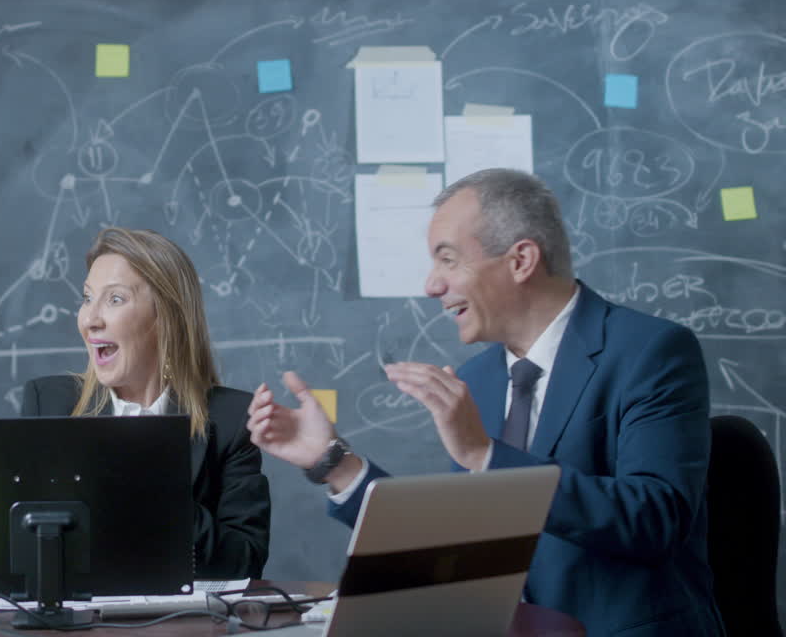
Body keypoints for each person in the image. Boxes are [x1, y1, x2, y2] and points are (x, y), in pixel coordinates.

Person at [246, 169, 723, 636]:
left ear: (520, 261)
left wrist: (484, 456)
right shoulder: (479, 378)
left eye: (448, 260)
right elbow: (458, 550)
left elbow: (655, 521)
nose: (431, 285)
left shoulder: (651, 351)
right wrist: (333, 462)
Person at [22, 227, 271, 579]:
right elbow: (23, 555)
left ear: (166, 318)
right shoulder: (49, 404)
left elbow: (244, 563)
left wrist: (152, 482)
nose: (90, 319)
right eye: (87, 298)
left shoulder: (229, 420)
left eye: (115, 299)